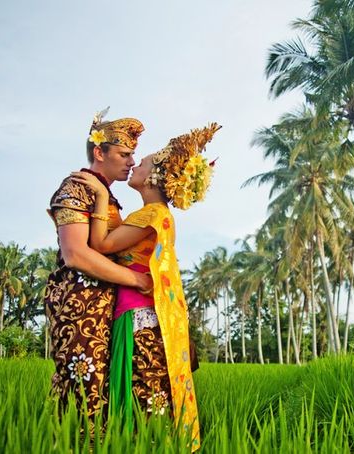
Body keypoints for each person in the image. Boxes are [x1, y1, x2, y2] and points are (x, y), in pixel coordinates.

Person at [72, 122, 221, 450]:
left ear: (155, 177)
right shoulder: (155, 215)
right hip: (143, 317)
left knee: (144, 401)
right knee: (151, 399)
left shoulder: (151, 213)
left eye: (143, 162)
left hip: (138, 318)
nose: (135, 164)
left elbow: (100, 244)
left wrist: (98, 195)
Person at [44, 108, 153, 418]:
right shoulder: (76, 188)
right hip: (80, 305)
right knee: (83, 388)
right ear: (99, 152)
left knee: (106, 391)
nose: (131, 162)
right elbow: (76, 254)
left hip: (106, 306)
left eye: (134, 155)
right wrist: (136, 281)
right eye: (124, 154)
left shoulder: (106, 196)